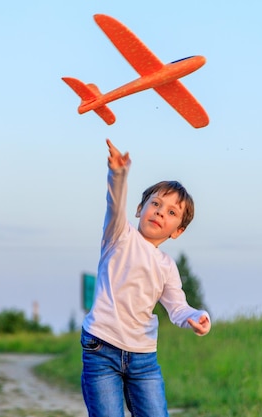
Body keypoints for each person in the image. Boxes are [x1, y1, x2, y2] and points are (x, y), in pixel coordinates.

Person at [81, 138, 211, 417]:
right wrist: (118, 174)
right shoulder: (119, 236)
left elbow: (178, 307)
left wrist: (196, 316)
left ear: (177, 231)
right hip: (102, 347)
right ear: (140, 209)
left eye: (172, 212)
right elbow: (114, 205)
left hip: (143, 358)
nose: (161, 212)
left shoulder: (166, 266)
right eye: (156, 204)